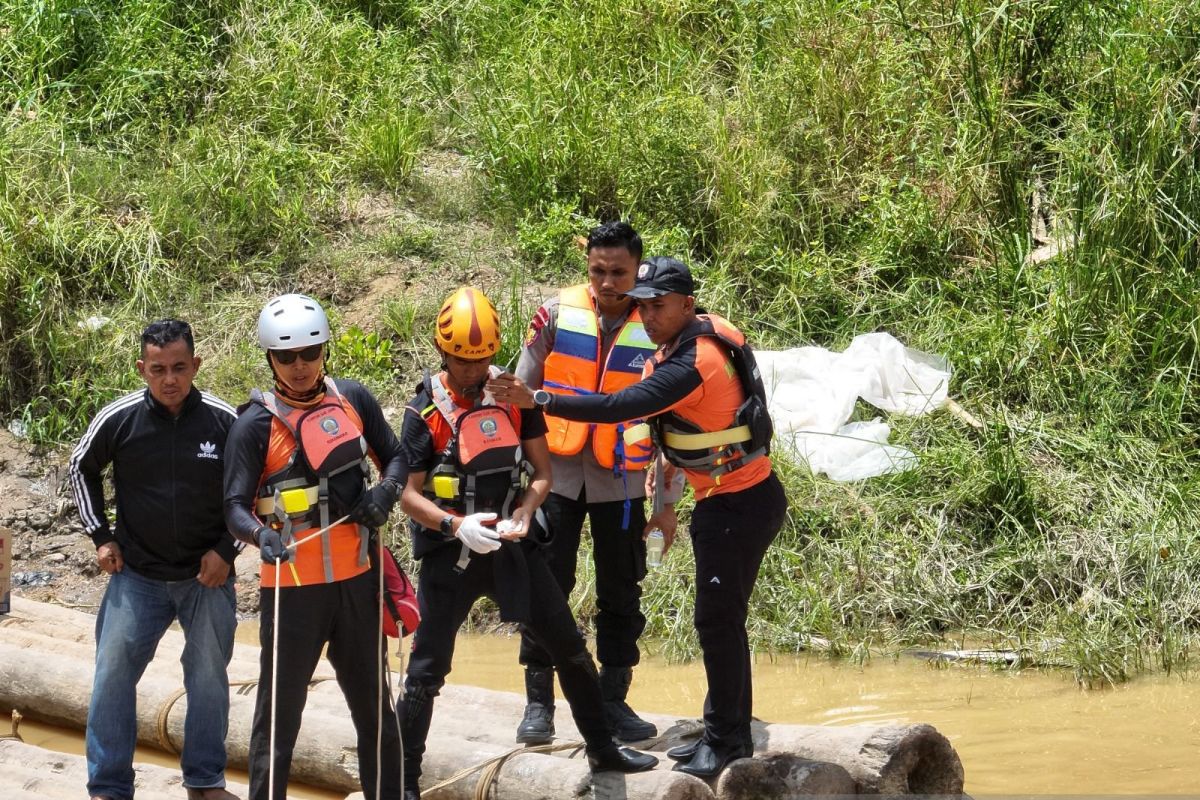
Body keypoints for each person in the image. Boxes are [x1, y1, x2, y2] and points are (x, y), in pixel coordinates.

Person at [489, 257, 789, 780]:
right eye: (643, 306)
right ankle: (724, 731)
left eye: (658, 306)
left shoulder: (696, 360)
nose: (647, 316)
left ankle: (727, 740)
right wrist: (667, 501)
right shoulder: (689, 340)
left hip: (738, 505)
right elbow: (678, 428)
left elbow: (620, 406)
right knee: (719, 622)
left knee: (717, 623)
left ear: (687, 305)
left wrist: (538, 397)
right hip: (725, 501)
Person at [397, 287, 658, 800]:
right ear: (442, 351)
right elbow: (406, 493)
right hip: (453, 554)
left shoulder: (513, 398)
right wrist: (454, 526)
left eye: (482, 360)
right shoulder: (425, 408)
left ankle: (602, 748)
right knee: (426, 670)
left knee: (569, 647)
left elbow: (541, 472)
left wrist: (526, 509)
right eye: (462, 360)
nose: (473, 372)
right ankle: (404, 778)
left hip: (513, 547)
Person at [223, 294, 405, 800]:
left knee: (376, 713)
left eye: (310, 353)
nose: (299, 366)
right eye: (287, 357)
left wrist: (386, 493)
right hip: (292, 593)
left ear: (325, 350)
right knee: (278, 721)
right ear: (271, 359)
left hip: (358, 583)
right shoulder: (254, 425)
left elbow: (396, 457)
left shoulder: (353, 400)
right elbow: (234, 506)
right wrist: (260, 535)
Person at [511, 221, 678, 744]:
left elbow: (671, 424)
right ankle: (539, 704)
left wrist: (666, 503)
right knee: (546, 587)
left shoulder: (658, 326)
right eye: (598, 271)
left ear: (638, 270)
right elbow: (520, 397)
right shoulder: (555, 315)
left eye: (619, 273)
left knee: (621, 591)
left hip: (622, 483)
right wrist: (518, 480)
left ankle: (613, 702)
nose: (607, 283)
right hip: (554, 478)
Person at [68, 319, 240, 800]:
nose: (169, 379)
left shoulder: (225, 422)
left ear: (196, 365)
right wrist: (101, 536)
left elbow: (254, 492)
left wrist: (226, 551)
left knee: (208, 677)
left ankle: (204, 782)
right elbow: (80, 468)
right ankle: (108, 785)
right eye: (158, 369)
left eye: (179, 368)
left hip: (206, 577)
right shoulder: (119, 419)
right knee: (112, 674)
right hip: (137, 576)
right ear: (141, 368)